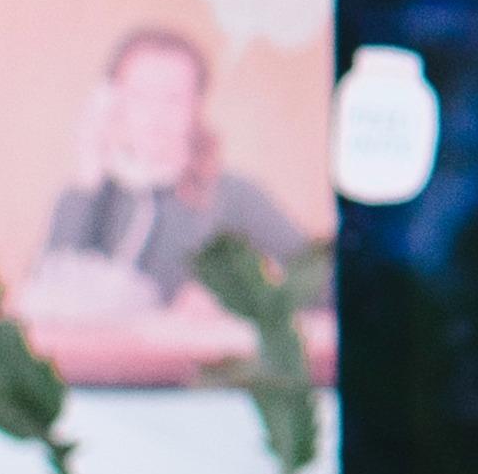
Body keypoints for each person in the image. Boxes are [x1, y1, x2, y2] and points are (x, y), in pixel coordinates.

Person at [24, 23, 305, 328]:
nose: (155, 114)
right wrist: (89, 168)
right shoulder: (86, 195)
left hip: (191, 370)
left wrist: (245, 296)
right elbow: (46, 301)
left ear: (196, 106)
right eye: (140, 95)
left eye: (173, 98)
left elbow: (326, 282)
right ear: (113, 101)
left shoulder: (233, 195)